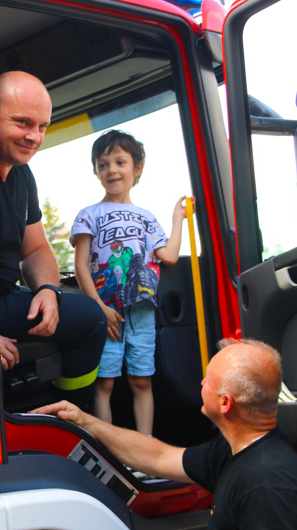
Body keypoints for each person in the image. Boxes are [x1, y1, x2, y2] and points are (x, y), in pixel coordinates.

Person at [31, 339, 297, 530]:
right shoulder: (235, 450)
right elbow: (159, 457)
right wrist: (86, 422)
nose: (201, 383)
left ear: (225, 403)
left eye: (208, 380)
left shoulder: (268, 486)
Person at [0, 71, 107, 392]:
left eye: (42, 126)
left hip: (1, 298)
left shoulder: (23, 173)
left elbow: (35, 249)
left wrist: (48, 290)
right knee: (91, 318)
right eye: (22, 123)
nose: (34, 136)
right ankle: (74, 412)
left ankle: (63, 412)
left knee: (70, 304)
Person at [70, 130, 193, 434]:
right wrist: (98, 308)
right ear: (97, 172)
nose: (111, 170)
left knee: (142, 379)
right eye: (103, 164)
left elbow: (169, 255)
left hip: (142, 309)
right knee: (105, 382)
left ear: (136, 168)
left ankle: (145, 445)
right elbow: (81, 266)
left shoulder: (147, 217)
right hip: (107, 309)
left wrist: (178, 218)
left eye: (120, 162)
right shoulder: (89, 215)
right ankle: (108, 448)